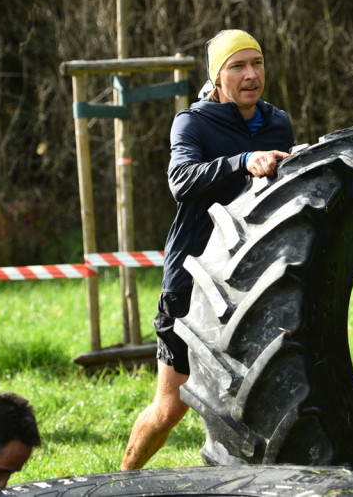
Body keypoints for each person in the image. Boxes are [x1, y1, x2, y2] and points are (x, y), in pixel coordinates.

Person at [120, 29, 294, 470]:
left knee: (260, 399)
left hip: (252, 285)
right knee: (170, 408)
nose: (251, 75)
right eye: (237, 66)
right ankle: (121, 478)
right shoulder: (193, 122)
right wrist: (241, 162)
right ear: (218, 78)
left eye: (256, 63)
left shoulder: (278, 123)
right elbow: (180, 181)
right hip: (191, 281)